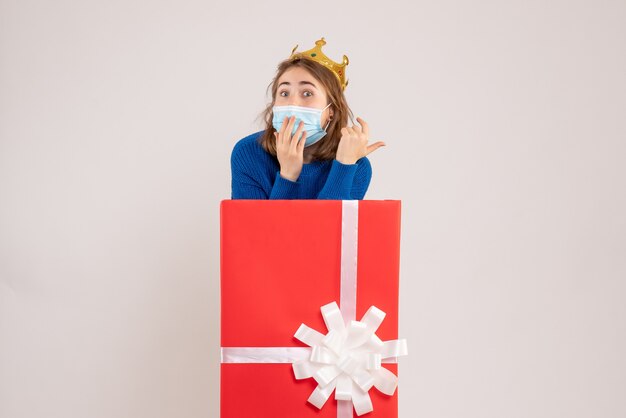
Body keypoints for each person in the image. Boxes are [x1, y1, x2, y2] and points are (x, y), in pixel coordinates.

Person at [230, 38, 385, 200]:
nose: (292, 103)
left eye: (307, 93)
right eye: (284, 93)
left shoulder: (356, 165)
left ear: (331, 109)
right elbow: (255, 226)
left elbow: (331, 225)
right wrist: (288, 176)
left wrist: (344, 166)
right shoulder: (248, 152)